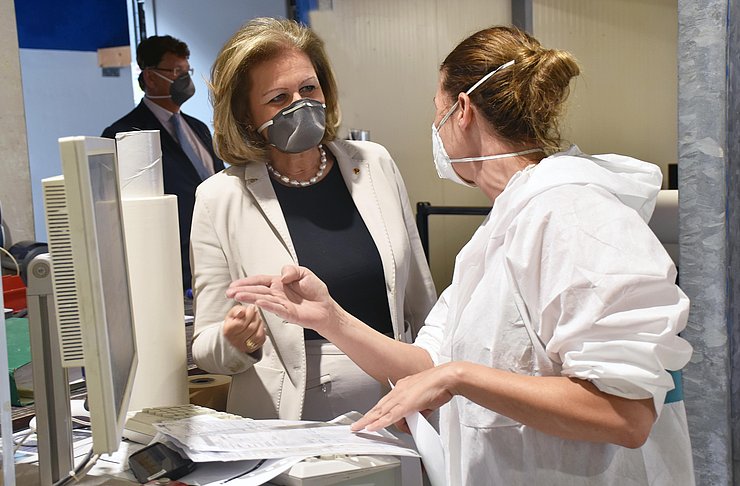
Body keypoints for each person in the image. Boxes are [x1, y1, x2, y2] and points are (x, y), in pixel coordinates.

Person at [226, 25, 694, 485]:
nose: (434, 128)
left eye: (437, 111)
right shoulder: (499, 232)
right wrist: (329, 317)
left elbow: (624, 414)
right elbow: (428, 363)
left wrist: (461, 378)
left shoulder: (575, 215)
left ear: (462, 111)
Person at [190, 18, 436, 422]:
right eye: (278, 98)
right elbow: (206, 345)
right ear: (246, 115)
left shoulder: (374, 164)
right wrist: (236, 340)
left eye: (309, 89)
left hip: (398, 406)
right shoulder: (220, 197)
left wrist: (433, 381)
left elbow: (421, 302)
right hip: (290, 420)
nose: (300, 105)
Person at [102, 35, 224, 291]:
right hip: (166, 265)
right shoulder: (124, 134)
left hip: (214, 251)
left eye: (186, 70)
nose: (185, 78)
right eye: (176, 71)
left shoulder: (198, 128)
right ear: (150, 77)